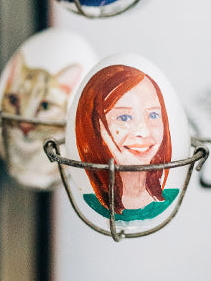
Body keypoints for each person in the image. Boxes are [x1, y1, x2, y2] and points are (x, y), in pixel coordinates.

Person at [75, 64, 177, 222]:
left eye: (154, 115)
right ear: (94, 125)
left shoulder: (169, 195)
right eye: (124, 118)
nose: (143, 132)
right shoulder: (92, 199)